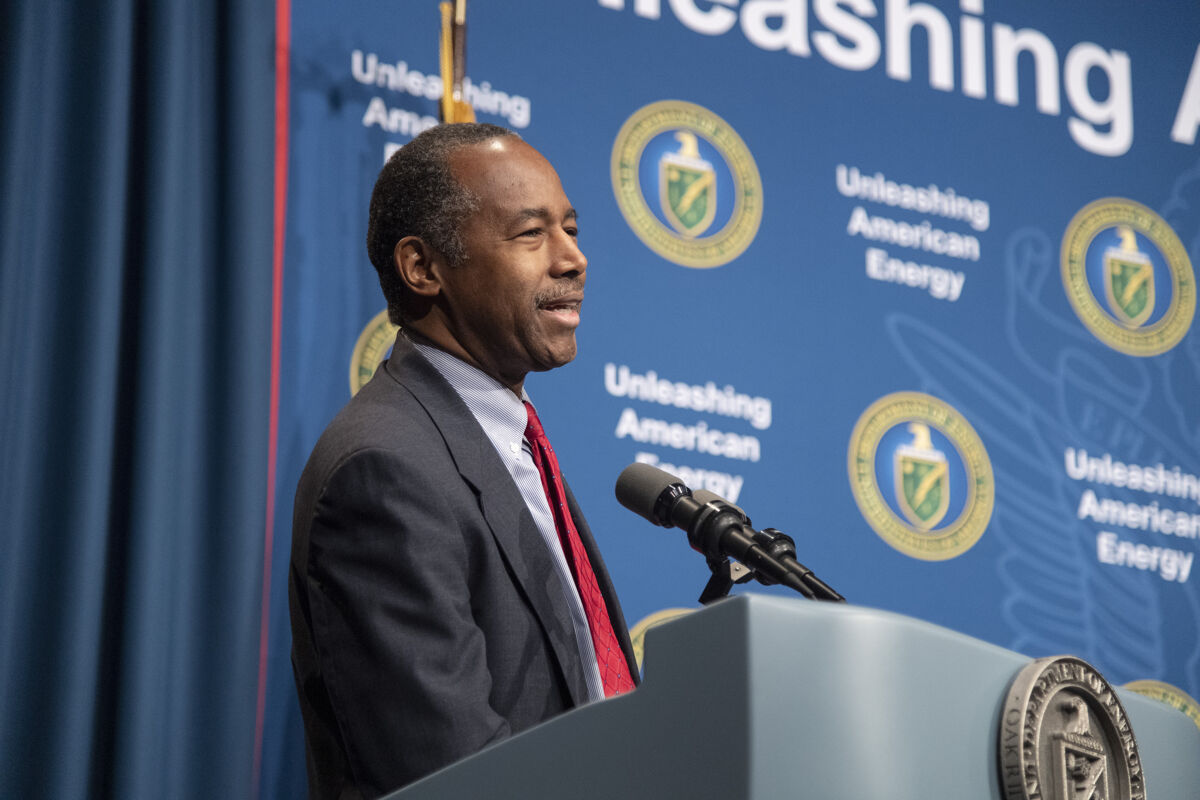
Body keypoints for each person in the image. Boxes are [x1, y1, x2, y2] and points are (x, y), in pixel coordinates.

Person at [289, 123, 638, 800]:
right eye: (531, 234)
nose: (573, 259)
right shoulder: (385, 471)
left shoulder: (512, 445)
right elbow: (450, 774)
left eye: (570, 229)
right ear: (423, 268)